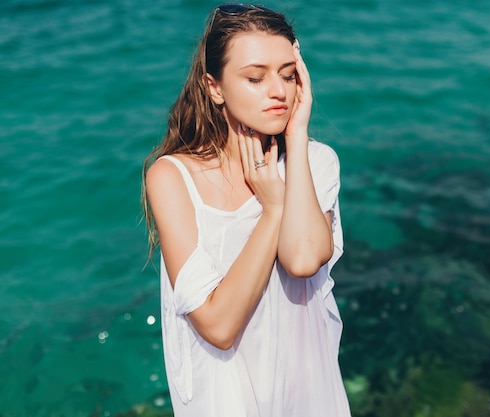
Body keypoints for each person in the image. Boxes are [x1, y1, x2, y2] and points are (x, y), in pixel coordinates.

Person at [141, 4, 351, 416]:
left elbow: (304, 258)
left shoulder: (316, 162)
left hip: (309, 398)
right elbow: (218, 327)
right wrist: (272, 208)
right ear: (214, 87)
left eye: (288, 75)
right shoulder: (173, 177)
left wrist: (298, 130)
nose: (278, 91)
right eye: (256, 78)